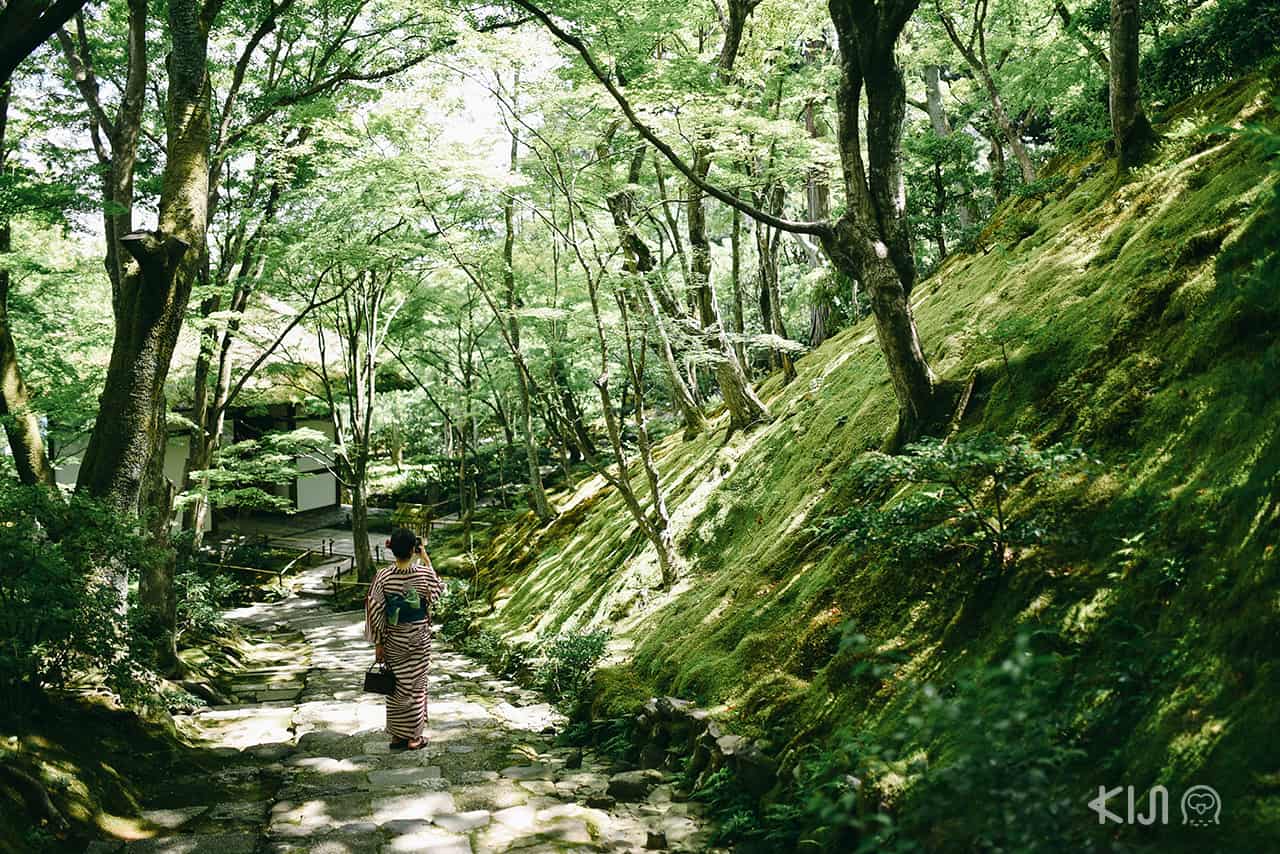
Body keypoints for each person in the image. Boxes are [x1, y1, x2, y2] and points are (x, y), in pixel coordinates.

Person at [364, 527, 445, 750]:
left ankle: (398, 736)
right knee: (416, 686)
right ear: (413, 549)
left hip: (394, 639)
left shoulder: (383, 576)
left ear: (392, 550)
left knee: (396, 686)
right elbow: (437, 592)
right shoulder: (423, 573)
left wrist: (378, 642)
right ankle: (414, 737)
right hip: (419, 637)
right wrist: (425, 557)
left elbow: (375, 608)